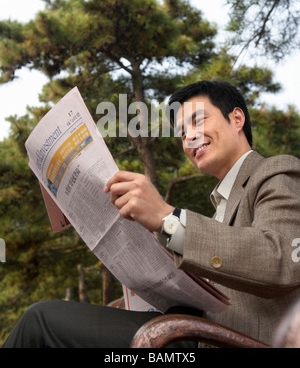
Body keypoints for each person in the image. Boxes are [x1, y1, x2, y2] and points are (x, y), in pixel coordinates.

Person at [2, 80, 300, 348]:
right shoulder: (219, 209)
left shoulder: (276, 170)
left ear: (236, 118)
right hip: (182, 331)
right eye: (182, 133)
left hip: (214, 340)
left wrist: (167, 218)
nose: (189, 138)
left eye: (198, 122)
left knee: (41, 321)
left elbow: (281, 259)